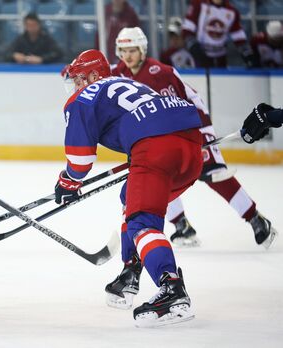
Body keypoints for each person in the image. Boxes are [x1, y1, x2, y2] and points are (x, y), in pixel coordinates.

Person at [55, 49, 202, 327]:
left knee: (142, 221)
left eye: (78, 78)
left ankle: (172, 289)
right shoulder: (133, 84)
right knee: (130, 197)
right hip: (191, 147)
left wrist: (68, 182)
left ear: (94, 75)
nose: (75, 86)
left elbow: (80, 158)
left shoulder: (84, 97)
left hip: (156, 149)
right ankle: (131, 271)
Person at [110, 27, 277, 253]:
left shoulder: (162, 73)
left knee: (214, 175)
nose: (127, 56)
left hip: (183, 131)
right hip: (151, 139)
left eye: (132, 50)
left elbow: (193, 99)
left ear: (143, 49)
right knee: (156, 179)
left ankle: (255, 218)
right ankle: (182, 225)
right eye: (123, 51)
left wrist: (205, 132)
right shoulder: (118, 73)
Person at [182, 0, 259, 68]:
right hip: (200, 57)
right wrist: (194, 48)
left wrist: (248, 55)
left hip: (220, 59)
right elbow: (187, 30)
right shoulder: (198, 4)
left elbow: (239, 38)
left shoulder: (232, 11)